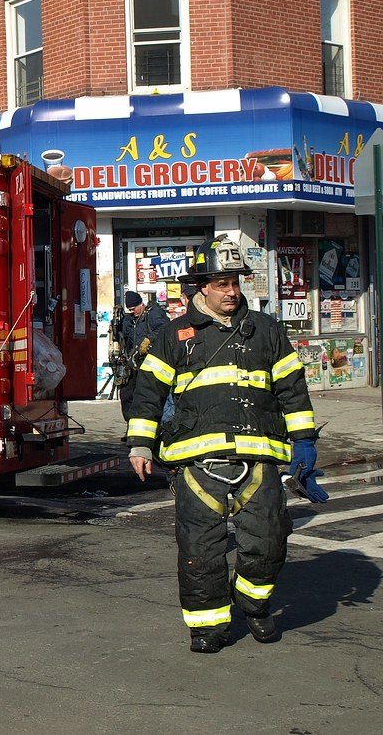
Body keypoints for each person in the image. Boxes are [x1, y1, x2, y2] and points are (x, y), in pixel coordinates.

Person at [126, 235, 327, 654]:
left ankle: (253, 604)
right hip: (196, 463)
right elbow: (148, 392)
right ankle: (209, 626)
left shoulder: (267, 331)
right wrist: (141, 445)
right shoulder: (173, 336)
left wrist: (305, 441)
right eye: (221, 283)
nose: (232, 291)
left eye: (235, 282)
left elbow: (292, 388)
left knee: (269, 539)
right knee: (201, 549)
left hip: (261, 456)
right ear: (202, 286)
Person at [113, 289, 170, 422]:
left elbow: (164, 327)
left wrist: (149, 339)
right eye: (130, 309)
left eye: (133, 308)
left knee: (145, 395)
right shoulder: (128, 319)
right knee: (126, 394)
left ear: (141, 304)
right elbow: (122, 337)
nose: (132, 311)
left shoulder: (153, 314)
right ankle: (131, 425)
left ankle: (150, 425)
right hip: (132, 362)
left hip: (149, 360)